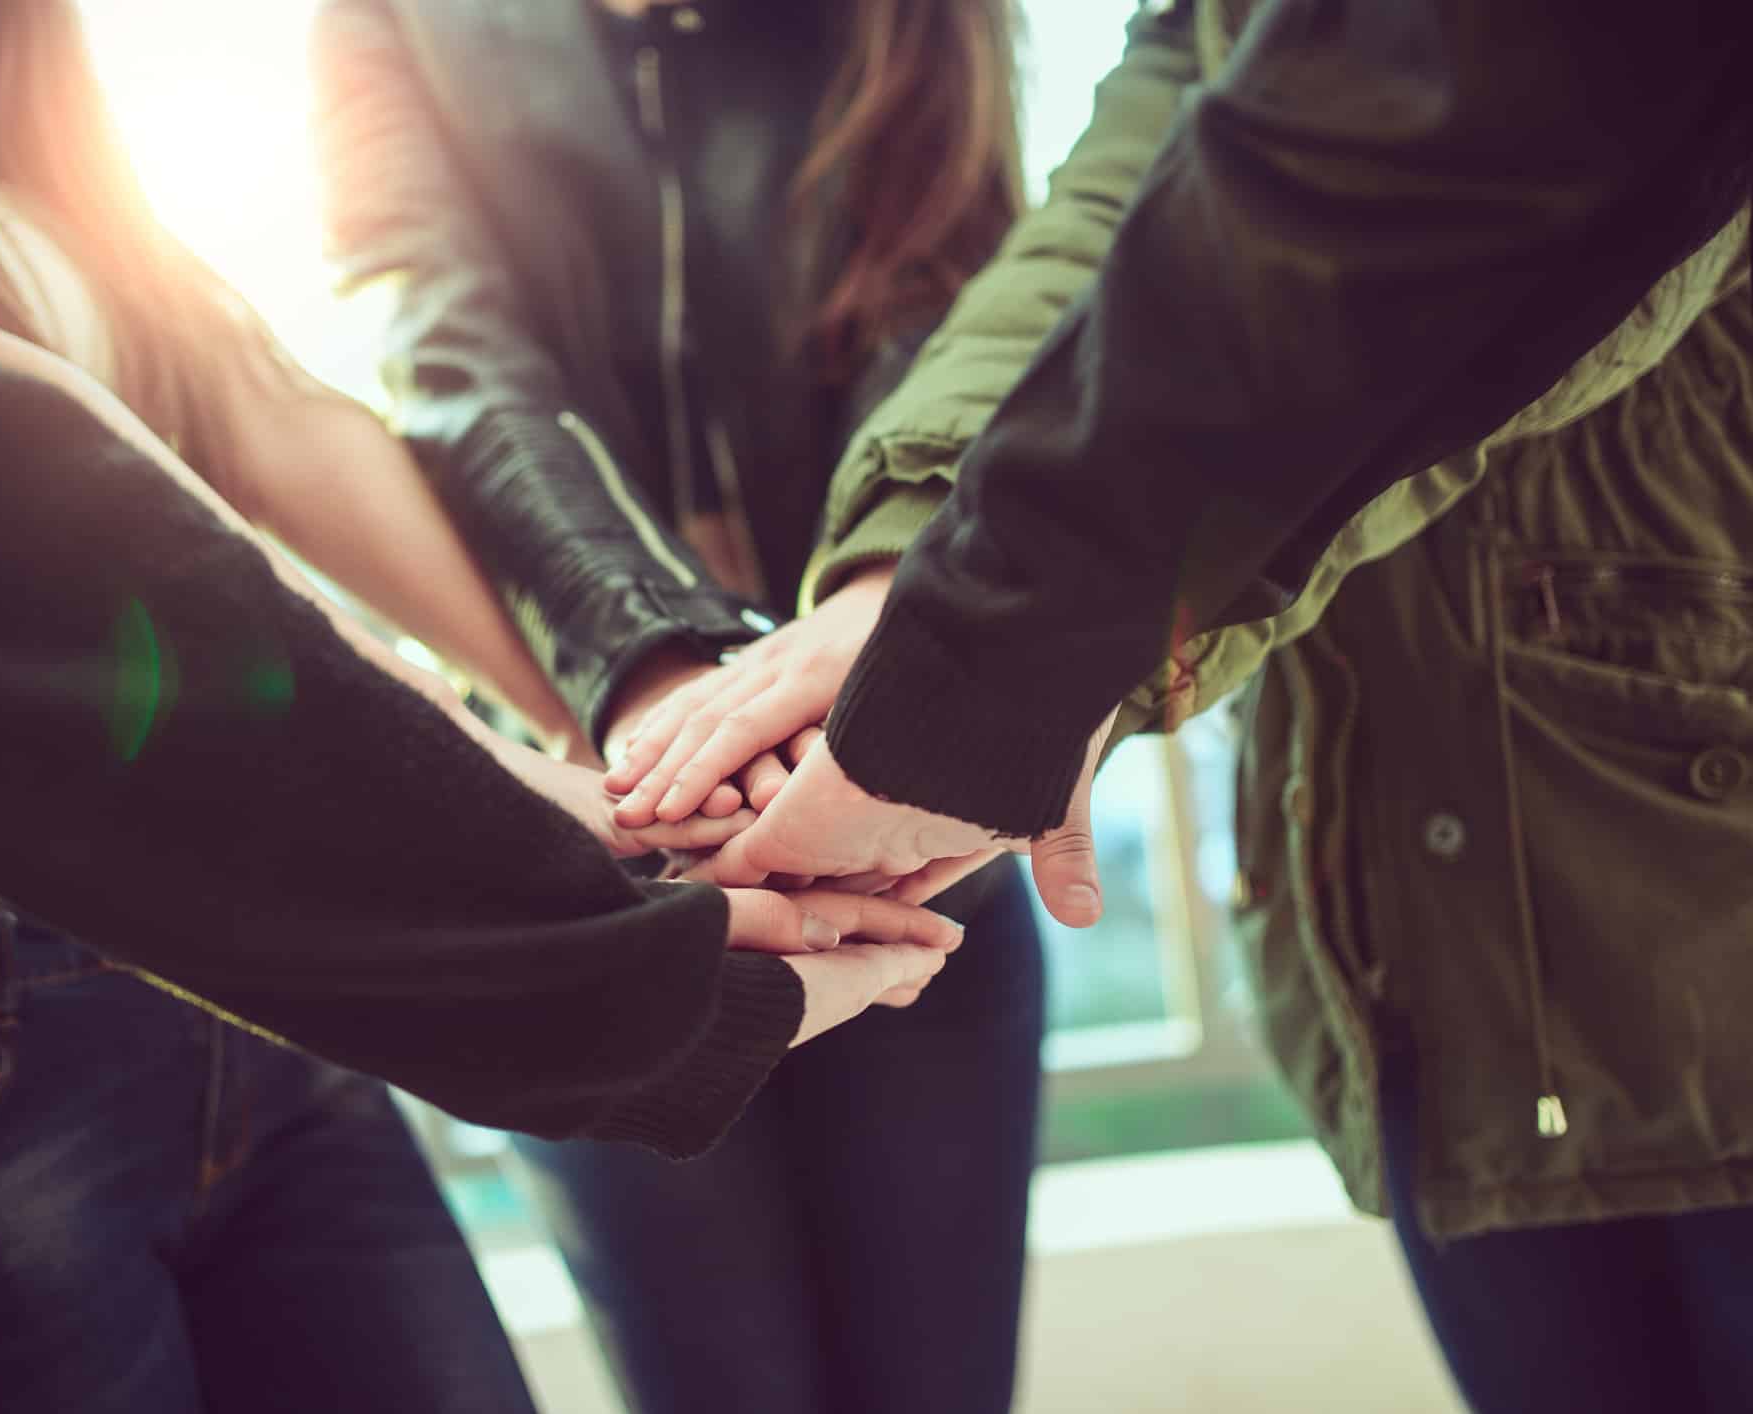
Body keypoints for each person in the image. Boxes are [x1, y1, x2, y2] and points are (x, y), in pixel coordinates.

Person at [0, 36, 960, 1414]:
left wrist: (646, 720)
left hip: (254, 992)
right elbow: (59, 526)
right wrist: (512, 788)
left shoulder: (40, 161)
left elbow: (274, 418)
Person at [610, 0, 1753, 1409]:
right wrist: (902, 568)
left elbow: (1474, 211)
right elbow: (1132, 200)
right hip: (1420, 924)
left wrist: (988, 655)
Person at [310, 3, 1051, 1410]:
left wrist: (865, 667)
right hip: (602, 835)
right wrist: (655, 672)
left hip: (898, 816)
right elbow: (446, 346)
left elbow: (961, 327)